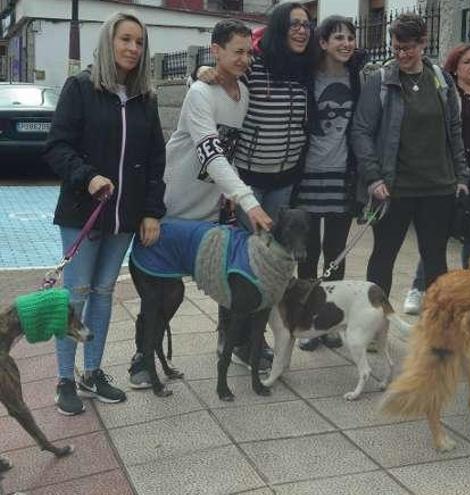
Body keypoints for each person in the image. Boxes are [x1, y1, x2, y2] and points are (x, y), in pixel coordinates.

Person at [128, 19, 267, 387]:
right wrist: (247, 198)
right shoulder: (200, 94)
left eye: (247, 52)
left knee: (226, 278)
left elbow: (229, 151)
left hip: (210, 211)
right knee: (162, 291)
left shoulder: (244, 94)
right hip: (173, 206)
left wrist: (230, 196)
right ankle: (142, 358)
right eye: (236, 51)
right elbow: (210, 151)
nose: (244, 59)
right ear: (216, 50)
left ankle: (231, 342)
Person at [44, 12, 165, 415]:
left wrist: (151, 211)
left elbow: (154, 162)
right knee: (75, 295)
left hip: (124, 219)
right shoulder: (80, 88)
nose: (133, 48)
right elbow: (58, 146)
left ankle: (91, 371)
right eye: (125, 39)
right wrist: (88, 176)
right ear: (108, 42)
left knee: (104, 293)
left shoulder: (146, 98)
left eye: (139, 42)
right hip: (84, 213)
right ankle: (64, 377)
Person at [197, 2, 318, 364]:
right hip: (250, 182)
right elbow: (220, 79)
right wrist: (201, 69)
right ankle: (233, 338)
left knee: (273, 263)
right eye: (294, 24)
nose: (301, 30)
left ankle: (253, 339)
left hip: (285, 181)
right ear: (279, 27)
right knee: (244, 262)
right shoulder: (254, 64)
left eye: (307, 24)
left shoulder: (305, 69)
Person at [351, 13, 469, 311]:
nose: (402, 55)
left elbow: (454, 130)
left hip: (438, 188)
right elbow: (361, 132)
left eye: (408, 48)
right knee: (383, 255)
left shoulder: (441, 80)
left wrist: (462, 176)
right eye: (396, 48)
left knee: (435, 258)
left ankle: (437, 326)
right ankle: (376, 321)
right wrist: (373, 178)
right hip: (394, 188)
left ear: (423, 43)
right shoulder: (380, 81)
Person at [402, 43, 470, 315]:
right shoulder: (445, 92)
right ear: (455, 67)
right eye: (466, 62)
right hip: (451, 175)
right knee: (438, 235)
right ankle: (419, 288)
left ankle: (469, 291)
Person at [294, 16, 366, 351]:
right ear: (322, 42)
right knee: (307, 255)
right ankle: (307, 319)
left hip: (343, 177)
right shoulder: (306, 75)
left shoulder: (360, 77)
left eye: (350, 37)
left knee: (335, 253)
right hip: (306, 176)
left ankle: (329, 323)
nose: (346, 43)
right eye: (338, 37)